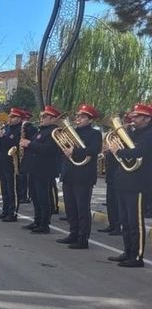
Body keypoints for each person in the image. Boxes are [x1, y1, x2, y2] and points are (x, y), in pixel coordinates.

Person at [107, 104, 152, 267]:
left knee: (135, 223)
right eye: (133, 116)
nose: (132, 119)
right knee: (125, 221)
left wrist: (118, 151)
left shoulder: (149, 135)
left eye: (137, 116)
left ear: (147, 119)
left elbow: (138, 153)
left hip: (138, 184)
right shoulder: (133, 133)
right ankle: (128, 252)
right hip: (124, 181)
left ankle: (137, 256)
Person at [55, 104, 102, 249]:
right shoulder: (71, 132)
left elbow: (94, 150)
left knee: (82, 208)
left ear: (90, 119)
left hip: (84, 176)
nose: (78, 119)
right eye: (77, 116)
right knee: (70, 207)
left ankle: (83, 238)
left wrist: (73, 151)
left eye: (82, 117)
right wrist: (65, 150)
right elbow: (62, 149)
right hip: (69, 173)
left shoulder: (94, 134)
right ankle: (73, 233)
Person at [20, 105, 61, 233]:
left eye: (44, 116)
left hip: (44, 169)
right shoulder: (41, 130)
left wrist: (30, 144)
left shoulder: (55, 131)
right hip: (34, 168)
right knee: (35, 196)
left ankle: (44, 224)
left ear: (52, 118)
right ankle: (37, 220)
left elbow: (50, 149)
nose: (41, 118)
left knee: (43, 197)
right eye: (41, 116)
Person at [0, 107, 23, 222]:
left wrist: (3, 136)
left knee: (12, 190)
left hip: (12, 163)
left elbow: (14, 144)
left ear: (19, 118)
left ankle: (13, 212)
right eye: (10, 116)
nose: (9, 119)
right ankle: (5, 210)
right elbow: (0, 145)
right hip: (3, 162)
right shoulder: (7, 128)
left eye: (12, 117)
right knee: (4, 188)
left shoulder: (20, 130)